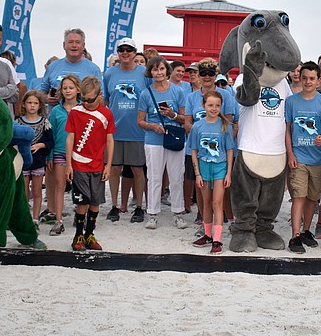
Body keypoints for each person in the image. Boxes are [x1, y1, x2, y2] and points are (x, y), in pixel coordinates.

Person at [284, 61, 321, 253]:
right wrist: (290, 154)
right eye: (304, 78)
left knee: (312, 197)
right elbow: (287, 130)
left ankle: (306, 231)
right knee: (299, 196)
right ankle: (295, 235)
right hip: (299, 156)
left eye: (312, 78)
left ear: (319, 80)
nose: (308, 82)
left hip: (318, 158)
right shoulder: (291, 101)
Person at [136, 56, 188, 230]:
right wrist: (153, 126)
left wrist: (171, 114)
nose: (158, 73)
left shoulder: (178, 91)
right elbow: (140, 121)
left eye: (161, 69)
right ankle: (152, 213)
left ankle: (178, 212)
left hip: (174, 137)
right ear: (150, 72)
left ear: (167, 70)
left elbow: (184, 119)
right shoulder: (145, 93)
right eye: (155, 69)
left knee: (176, 176)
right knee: (154, 177)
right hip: (153, 139)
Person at [185, 59, 238, 227]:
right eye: (203, 73)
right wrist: (199, 137)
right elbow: (187, 122)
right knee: (201, 189)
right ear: (197, 75)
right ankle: (204, 220)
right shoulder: (192, 97)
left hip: (221, 150)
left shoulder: (227, 95)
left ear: (216, 75)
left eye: (210, 73)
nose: (207, 77)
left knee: (224, 187)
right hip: (198, 149)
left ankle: (227, 218)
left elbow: (229, 123)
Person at [102, 37, 150, 223]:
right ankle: (114, 206)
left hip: (137, 129)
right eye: (121, 49)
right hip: (114, 130)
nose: (125, 53)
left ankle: (138, 206)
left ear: (135, 52)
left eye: (129, 49)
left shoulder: (143, 73)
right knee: (114, 168)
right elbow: (106, 100)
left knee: (138, 169)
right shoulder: (109, 74)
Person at [66, 76, 115, 251]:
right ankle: (78, 235)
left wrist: (108, 165)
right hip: (79, 163)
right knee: (82, 202)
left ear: (100, 95)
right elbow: (70, 138)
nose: (87, 103)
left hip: (98, 164)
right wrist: (68, 164)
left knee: (95, 201)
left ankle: (89, 234)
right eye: (83, 99)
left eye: (91, 100)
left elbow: (110, 141)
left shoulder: (106, 114)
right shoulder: (75, 112)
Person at [189, 91, 235, 254]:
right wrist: (197, 174)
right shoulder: (197, 126)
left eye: (217, 105)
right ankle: (207, 234)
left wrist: (229, 173)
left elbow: (230, 150)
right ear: (204, 106)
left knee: (217, 202)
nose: (214, 108)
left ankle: (217, 239)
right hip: (203, 166)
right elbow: (193, 150)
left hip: (220, 167)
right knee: (206, 202)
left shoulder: (225, 125)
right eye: (210, 105)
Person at [47, 74, 81, 236]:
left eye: (71, 88)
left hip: (79, 154)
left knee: (79, 187)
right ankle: (58, 220)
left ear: (78, 90)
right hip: (60, 152)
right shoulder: (56, 111)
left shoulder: (83, 109)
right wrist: (50, 156)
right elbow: (50, 134)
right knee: (59, 185)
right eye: (65, 88)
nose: (68, 91)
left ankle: (80, 214)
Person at [40, 29, 102, 108]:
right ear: (64, 45)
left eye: (77, 42)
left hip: (83, 117)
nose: (74, 45)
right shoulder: (52, 67)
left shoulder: (93, 69)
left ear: (83, 46)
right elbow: (42, 92)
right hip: (57, 117)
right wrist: (46, 98)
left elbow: (100, 97)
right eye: (70, 42)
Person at [17, 90, 53, 227]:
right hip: (23, 163)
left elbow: (51, 141)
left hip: (38, 162)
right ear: (24, 104)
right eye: (29, 103)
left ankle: (35, 219)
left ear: (40, 106)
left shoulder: (45, 122)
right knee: (24, 192)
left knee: (37, 192)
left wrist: (41, 144)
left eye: (35, 103)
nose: (32, 106)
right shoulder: (18, 122)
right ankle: (25, 219)